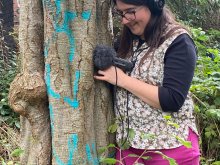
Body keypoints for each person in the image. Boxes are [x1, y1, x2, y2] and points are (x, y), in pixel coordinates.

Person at [94, 0, 200, 164]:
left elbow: (172, 99)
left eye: (130, 11)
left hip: (170, 148)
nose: (124, 20)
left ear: (153, 5)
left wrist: (122, 80)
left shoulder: (179, 41)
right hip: (128, 147)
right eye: (121, 13)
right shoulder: (128, 40)